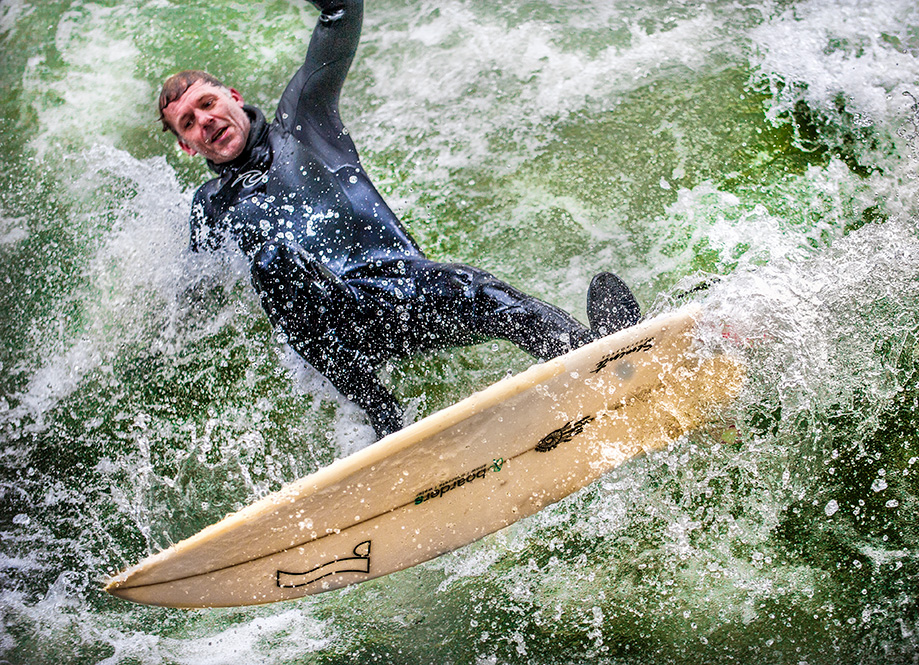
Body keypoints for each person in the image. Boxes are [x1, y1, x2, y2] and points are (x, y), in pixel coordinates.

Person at [158, 0, 640, 439]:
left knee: (489, 295)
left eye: (207, 104)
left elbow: (341, 12)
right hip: (335, 332)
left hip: (403, 294)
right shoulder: (210, 204)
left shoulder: (303, 117)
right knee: (270, 261)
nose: (205, 121)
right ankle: (387, 424)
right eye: (188, 123)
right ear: (186, 145)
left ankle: (604, 359)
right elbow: (199, 296)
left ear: (234, 97)